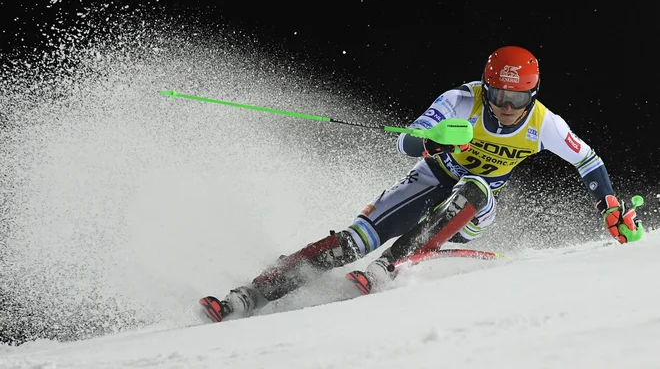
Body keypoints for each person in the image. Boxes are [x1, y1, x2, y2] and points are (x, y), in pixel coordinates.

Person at [200, 45, 644, 322]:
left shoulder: (545, 124)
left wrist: (608, 206)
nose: (509, 109)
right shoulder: (459, 100)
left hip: (474, 209)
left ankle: (389, 265)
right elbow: (408, 143)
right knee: (353, 241)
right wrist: (430, 139)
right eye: (501, 97)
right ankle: (249, 295)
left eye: (519, 99)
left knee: (478, 190)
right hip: (433, 177)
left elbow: (589, 161)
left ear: (533, 93)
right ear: (488, 88)